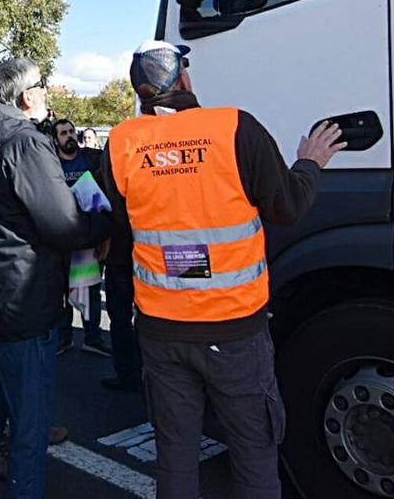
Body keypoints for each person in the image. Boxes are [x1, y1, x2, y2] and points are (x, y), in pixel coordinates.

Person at [98, 41, 345, 499]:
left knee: (175, 455)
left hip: (161, 331)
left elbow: (107, 220)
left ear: (140, 91)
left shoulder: (120, 143)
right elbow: (287, 205)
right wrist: (312, 161)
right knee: (253, 451)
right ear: (185, 81)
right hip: (233, 331)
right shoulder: (233, 127)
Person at [0, 58, 111, 499]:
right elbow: (64, 225)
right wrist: (104, 222)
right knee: (28, 433)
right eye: (43, 86)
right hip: (25, 303)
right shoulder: (24, 141)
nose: (47, 94)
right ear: (27, 96)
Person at [52, 118, 110, 357]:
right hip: (61, 239)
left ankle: (92, 337)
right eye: (63, 133)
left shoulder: (90, 160)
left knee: (87, 292)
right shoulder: (51, 165)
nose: (69, 136)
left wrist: (103, 236)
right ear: (55, 140)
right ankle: (63, 338)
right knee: (60, 295)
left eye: (71, 131)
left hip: (86, 239)